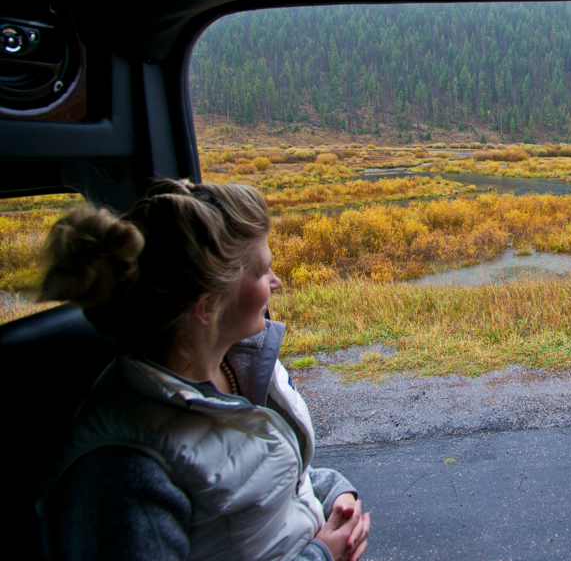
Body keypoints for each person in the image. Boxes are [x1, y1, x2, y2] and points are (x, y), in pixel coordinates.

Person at [35, 179, 370, 561]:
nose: (276, 282)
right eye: (262, 272)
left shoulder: (232, 365)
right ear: (206, 307)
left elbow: (254, 481)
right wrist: (322, 556)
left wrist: (331, 491)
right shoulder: (124, 474)